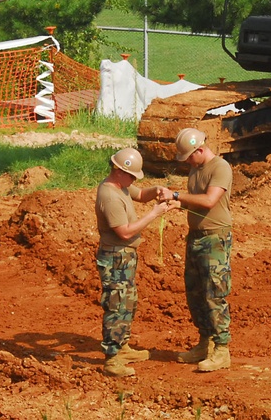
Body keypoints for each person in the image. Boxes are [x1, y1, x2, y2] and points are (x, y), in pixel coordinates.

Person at [95, 147, 178, 377]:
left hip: (125, 257)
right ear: (119, 171)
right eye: (132, 175)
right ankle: (112, 360)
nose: (133, 180)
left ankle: (123, 347)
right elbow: (124, 232)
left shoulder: (120, 186)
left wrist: (157, 190)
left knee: (128, 303)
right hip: (115, 257)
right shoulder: (110, 195)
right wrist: (154, 214)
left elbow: (140, 194)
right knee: (117, 306)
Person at [160, 127, 233, 372]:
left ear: (200, 149)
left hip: (214, 239)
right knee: (195, 292)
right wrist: (176, 204)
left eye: (190, 156)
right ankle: (205, 342)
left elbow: (210, 200)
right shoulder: (196, 168)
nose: (188, 161)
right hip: (196, 237)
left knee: (214, 293)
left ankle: (222, 350)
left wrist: (178, 195)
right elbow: (197, 202)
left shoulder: (220, 168)